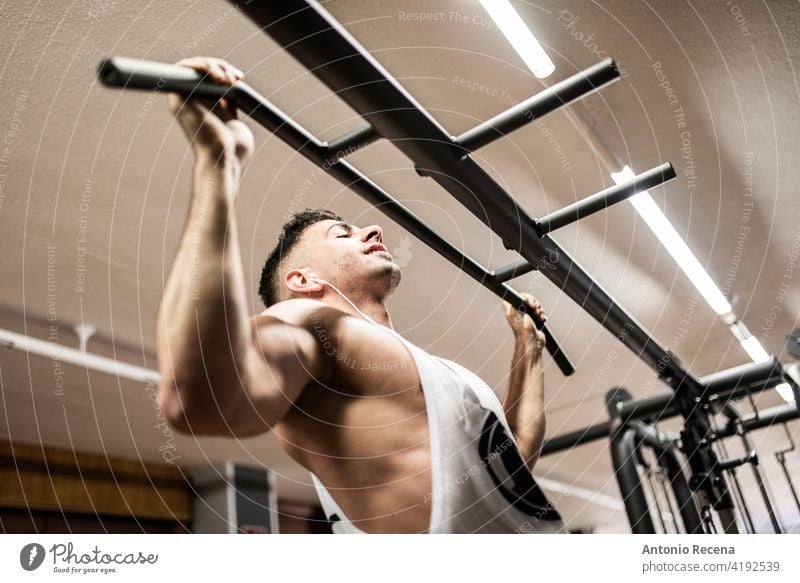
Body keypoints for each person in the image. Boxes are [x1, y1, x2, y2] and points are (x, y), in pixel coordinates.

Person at [156, 56, 565, 534]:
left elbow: (512, 459)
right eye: (340, 233)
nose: (371, 228)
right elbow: (198, 398)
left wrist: (527, 346)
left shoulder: (442, 375)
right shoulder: (311, 326)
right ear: (302, 281)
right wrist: (217, 166)